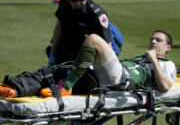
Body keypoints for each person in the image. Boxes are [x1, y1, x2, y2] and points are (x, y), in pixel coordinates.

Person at [0, 30, 176, 98]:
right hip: (105, 77)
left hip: (122, 82)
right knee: (56, 72)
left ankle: (67, 86)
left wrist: (154, 60)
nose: (153, 42)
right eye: (152, 38)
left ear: (168, 47)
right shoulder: (141, 57)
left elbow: (165, 87)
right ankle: (14, 88)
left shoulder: (168, 65)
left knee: (92, 39)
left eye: (159, 40)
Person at [48, 0, 111, 66]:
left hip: (88, 57)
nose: (78, 3)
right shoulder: (64, 3)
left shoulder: (96, 14)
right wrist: (52, 54)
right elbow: (59, 27)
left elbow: (107, 44)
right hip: (66, 53)